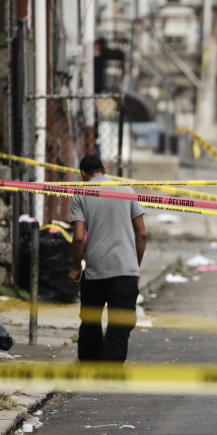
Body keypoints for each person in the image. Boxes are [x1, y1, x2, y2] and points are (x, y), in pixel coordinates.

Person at [68, 153, 147, 362]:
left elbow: (77, 238)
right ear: (104, 168)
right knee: (120, 323)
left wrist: (77, 268)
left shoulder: (81, 193)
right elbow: (142, 233)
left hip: (96, 271)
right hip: (125, 270)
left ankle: (90, 366)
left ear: (82, 173)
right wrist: (134, 266)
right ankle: (111, 370)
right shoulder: (126, 190)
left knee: (90, 321)